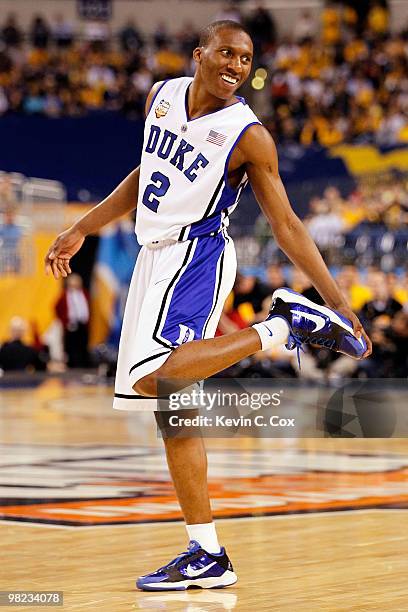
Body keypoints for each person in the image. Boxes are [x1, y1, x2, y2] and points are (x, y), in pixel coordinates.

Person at [45, 21, 371, 591]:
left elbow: (287, 223)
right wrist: (81, 226)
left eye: (246, 60)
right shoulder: (162, 96)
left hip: (197, 255)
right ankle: (207, 551)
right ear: (200, 53)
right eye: (227, 53)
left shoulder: (249, 135)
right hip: (154, 256)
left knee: (154, 379)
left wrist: (336, 301)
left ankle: (282, 328)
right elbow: (148, 173)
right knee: (173, 409)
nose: (236, 66)